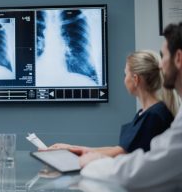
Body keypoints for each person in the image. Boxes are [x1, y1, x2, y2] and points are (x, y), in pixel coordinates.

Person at [80, 22, 182, 192]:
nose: (160, 66)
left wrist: (93, 163)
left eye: (163, 55)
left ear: (178, 58)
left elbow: (137, 173)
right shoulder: (151, 113)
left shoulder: (155, 114)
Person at [48, 50, 180, 157]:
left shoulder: (154, 116)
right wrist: (73, 148)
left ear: (135, 79)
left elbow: (121, 154)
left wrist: (77, 152)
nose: (124, 80)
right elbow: (121, 149)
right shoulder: (147, 113)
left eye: (125, 74)